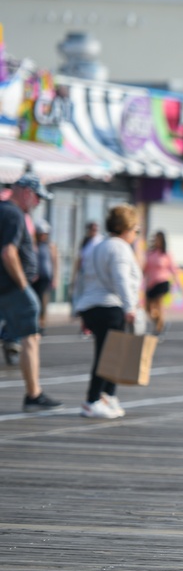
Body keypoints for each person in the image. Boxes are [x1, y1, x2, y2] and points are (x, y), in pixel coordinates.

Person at [0, 173, 63, 411]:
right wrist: (23, 285)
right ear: (26, 192)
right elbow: (8, 253)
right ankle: (33, 394)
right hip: (10, 287)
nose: (37, 203)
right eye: (37, 198)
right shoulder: (14, 213)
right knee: (31, 337)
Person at [73, 204, 142, 419]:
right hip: (109, 307)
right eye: (136, 230)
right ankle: (92, 400)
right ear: (126, 228)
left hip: (93, 306)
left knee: (113, 354)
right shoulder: (120, 248)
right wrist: (130, 306)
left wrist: (80, 308)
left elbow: (86, 278)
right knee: (107, 356)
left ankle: (107, 395)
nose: (136, 235)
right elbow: (121, 278)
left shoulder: (99, 245)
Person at [142, 231, 183, 336]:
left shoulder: (166, 254)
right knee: (148, 308)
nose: (157, 241)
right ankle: (161, 322)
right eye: (155, 239)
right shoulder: (150, 253)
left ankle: (159, 329)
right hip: (151, 283)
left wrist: (179, 283)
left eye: (159, 239)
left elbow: (173, 269)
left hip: (162, 282)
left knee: (159, 305)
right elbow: (145, 269)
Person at [31, 219, 57, 335]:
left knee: (43, 302)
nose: (42, 236)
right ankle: (35, 323)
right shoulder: (34, 245)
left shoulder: (50, 246)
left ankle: (42, 323)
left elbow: (55, 262)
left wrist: (55, 278)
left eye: (44, 234)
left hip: (45, 278)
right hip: (35, 278)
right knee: (34, 301)